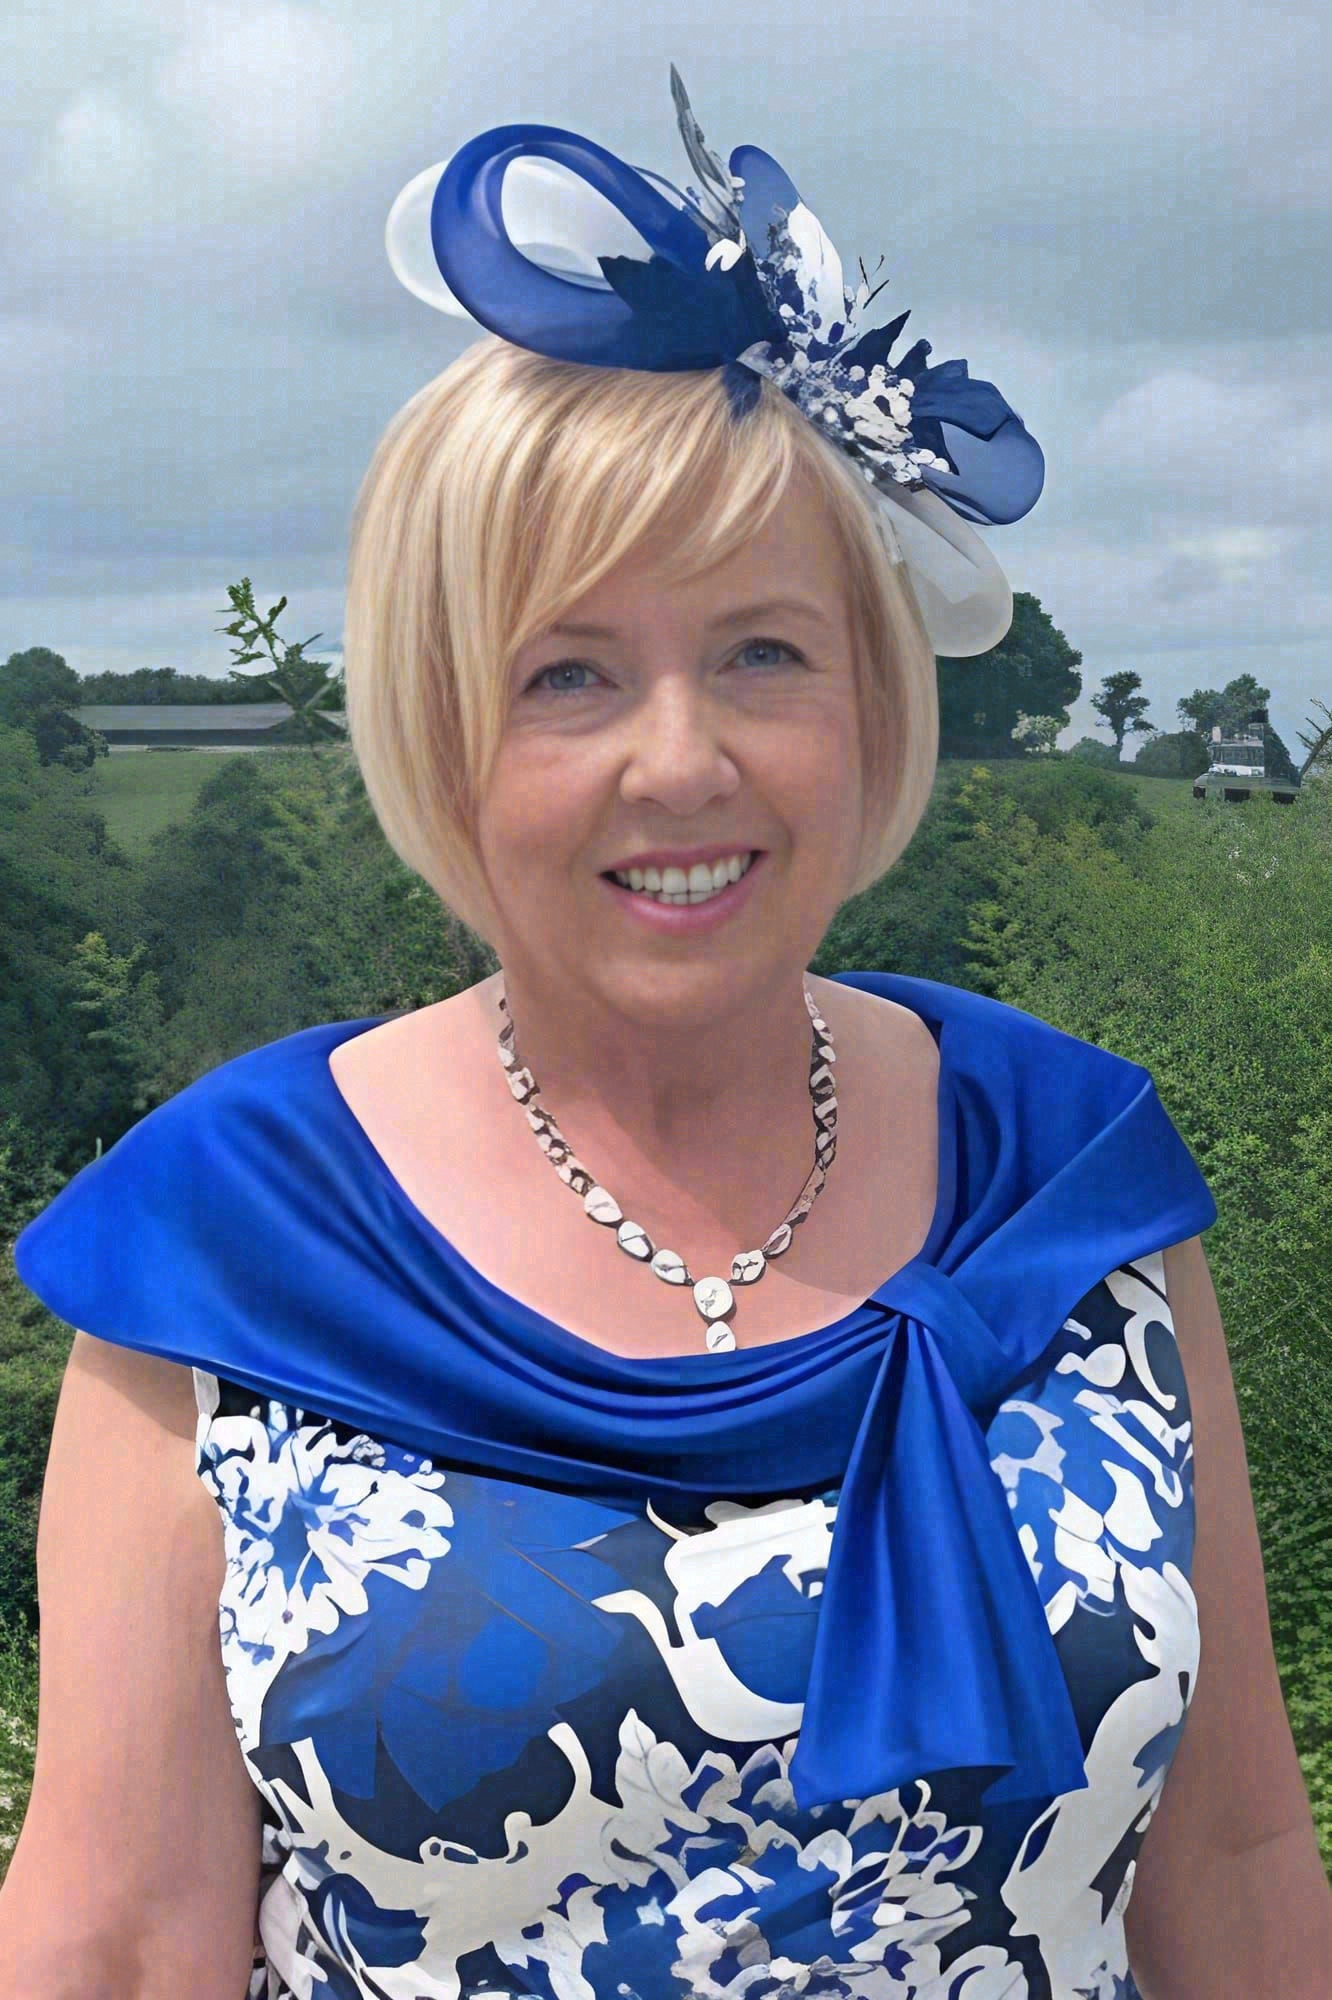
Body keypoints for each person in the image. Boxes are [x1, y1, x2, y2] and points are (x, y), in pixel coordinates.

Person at [3, 69, 1329, 2000]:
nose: (681, 760)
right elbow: (120, 1941)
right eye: (570, 675)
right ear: (443, 728)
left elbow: (1234, 1857)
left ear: (872, 698)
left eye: (763, 652)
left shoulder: (1074, 1180)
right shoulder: (227, 1241)